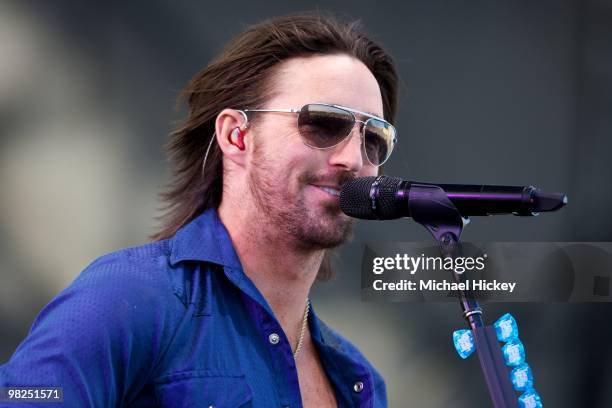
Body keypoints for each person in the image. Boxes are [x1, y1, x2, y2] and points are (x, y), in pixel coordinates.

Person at [0, 12, 398, 407]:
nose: (353, 158)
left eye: (374, 138)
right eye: (324, 124)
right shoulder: (126, 298)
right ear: (236, 135)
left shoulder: (359, 379)